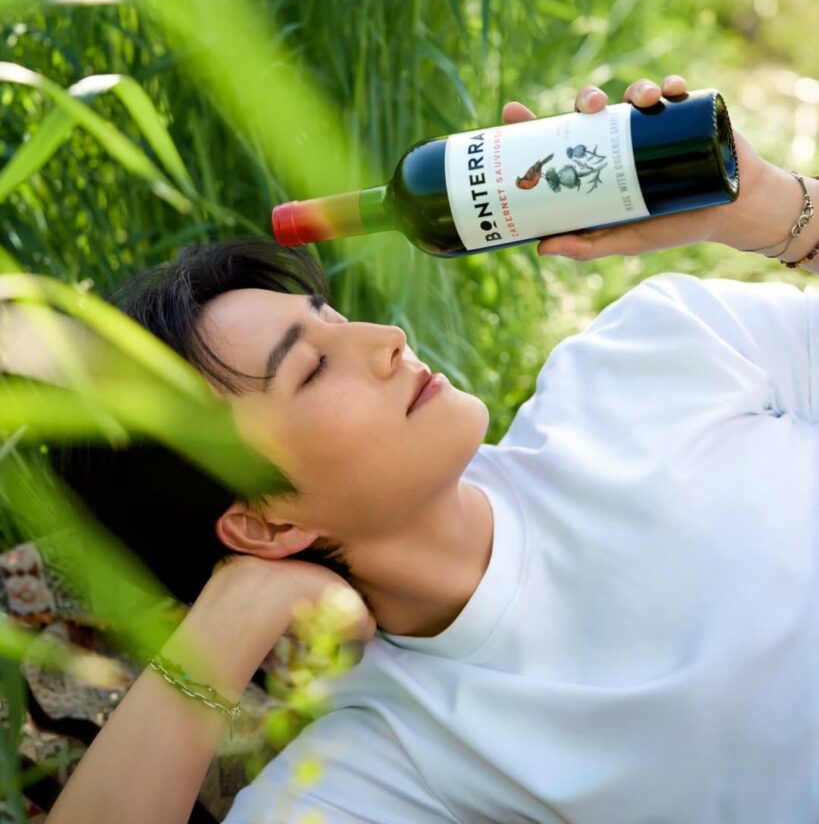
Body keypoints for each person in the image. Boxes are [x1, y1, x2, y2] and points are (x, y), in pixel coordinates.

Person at [45, 75, 819, 824]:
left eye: (333, 317)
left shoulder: (651, 355)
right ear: (264, 525)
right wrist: (232, 616)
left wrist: (771, 210)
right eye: (311, 369)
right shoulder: (398, 756)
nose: (386, 339)